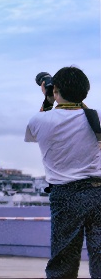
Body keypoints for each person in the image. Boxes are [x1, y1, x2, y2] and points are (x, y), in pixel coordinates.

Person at [25, 66, 101, 278]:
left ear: (54, 89)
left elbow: (34, 134)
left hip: (65, 195)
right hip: (98, 191)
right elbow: (83, 112)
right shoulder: (96, 117)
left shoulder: (38, 120)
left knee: (63, 260)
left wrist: (49, 100)